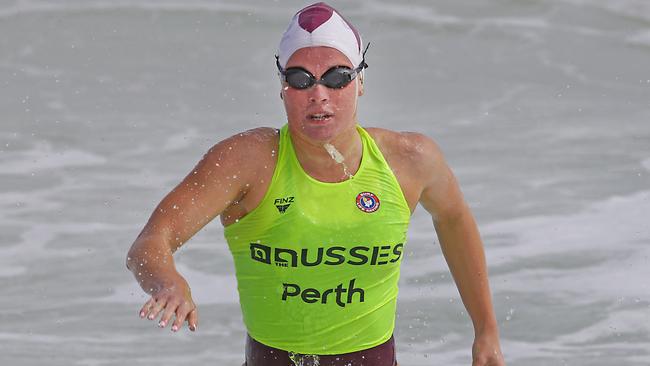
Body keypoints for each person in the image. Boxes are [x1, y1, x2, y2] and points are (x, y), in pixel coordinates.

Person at [126, 2, 505, 365]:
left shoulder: (409, 160)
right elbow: (150, 242)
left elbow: (454, 218)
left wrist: (486, 331)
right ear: (282, 88)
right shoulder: (248, 162)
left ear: (360, 83)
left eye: (337, 77)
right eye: (300, 79)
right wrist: (168, 283)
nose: (318, 94)